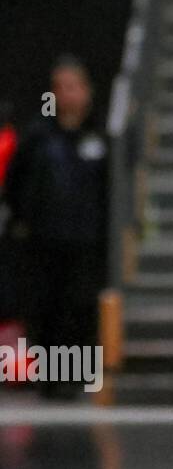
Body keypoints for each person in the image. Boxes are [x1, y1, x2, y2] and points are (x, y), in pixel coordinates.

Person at [3, 58, 108, 399]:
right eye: (61, 87)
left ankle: (76, 377)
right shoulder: (38, 135)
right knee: (45, 308)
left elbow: (109, 192)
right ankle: (48, 379)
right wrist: (22, 222)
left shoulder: (100, 137)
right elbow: (16, 183)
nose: (68, 94)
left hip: (85, 241)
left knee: (79, 308)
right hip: (44, 239)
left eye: (75, 86)